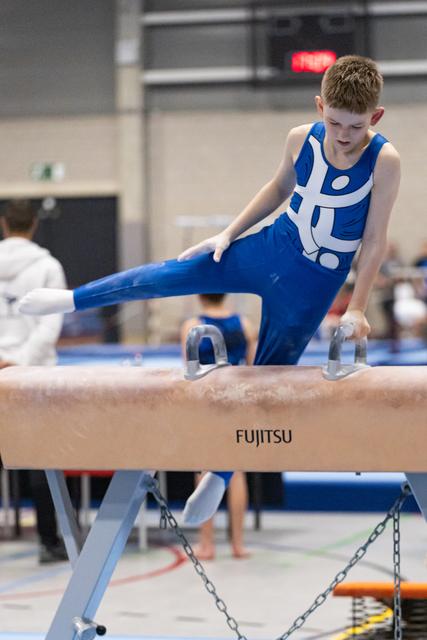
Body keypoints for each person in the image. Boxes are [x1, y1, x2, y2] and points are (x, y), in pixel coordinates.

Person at [18, 55, 401, 525]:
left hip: (314, 282)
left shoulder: (384, 160)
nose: (343, 135)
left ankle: (219, 476)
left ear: (375, 118)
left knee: (268, 379)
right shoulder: (301, 138)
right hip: (271, 246)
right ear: (320, 105)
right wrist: (228, 234)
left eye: (355, 126)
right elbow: (278, 188)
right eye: (334, 122)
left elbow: (376, 238)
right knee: (170, 273)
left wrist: (357, 307)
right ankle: (71, 299)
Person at [0, 199, 68, 563]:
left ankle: (49, 540)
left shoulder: (47, 267)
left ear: (4, 225)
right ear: (34, 225)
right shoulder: (48, 267)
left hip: (9, 373)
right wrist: (20, 362)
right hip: (35, 375)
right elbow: (50, 325)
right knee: (43, 458)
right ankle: (49, 541)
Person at [181, 293, 257, 559]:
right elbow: (253, 367)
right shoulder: (244, 324)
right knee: (235, 472)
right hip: (235, 399)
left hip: (207, 401)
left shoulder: (192, 326)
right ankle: (238, 544)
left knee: (205, 471)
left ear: (200, 296)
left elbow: (188, 369)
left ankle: (207, 544)